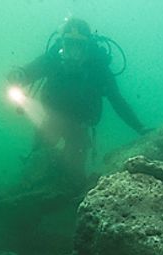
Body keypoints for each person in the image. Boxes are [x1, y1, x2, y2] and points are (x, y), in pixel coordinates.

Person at [8, 17, 149, 188]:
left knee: (74, 173)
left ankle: (72, 193)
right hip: (51, 120)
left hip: (80, 125)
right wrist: (18, 74)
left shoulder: (98, 68)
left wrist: (139, 127)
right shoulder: (52, 58)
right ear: (62, 43)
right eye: (69, 43)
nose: (74, 51)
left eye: (80, 45)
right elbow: (28, 72)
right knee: (37, 164)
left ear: (88, 46)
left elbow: (117, 101)